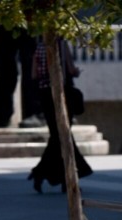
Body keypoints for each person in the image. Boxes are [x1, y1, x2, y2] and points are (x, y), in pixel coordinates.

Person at [27, 36, 91, 193]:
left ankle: (60, 178)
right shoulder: (61, 46)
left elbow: (34, 74)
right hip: (62, 94)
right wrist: (75, 72)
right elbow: (70, 70)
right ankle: (44, 173)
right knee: (62, 136)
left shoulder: (40, 47)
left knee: (58, 137)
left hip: (45, 96)